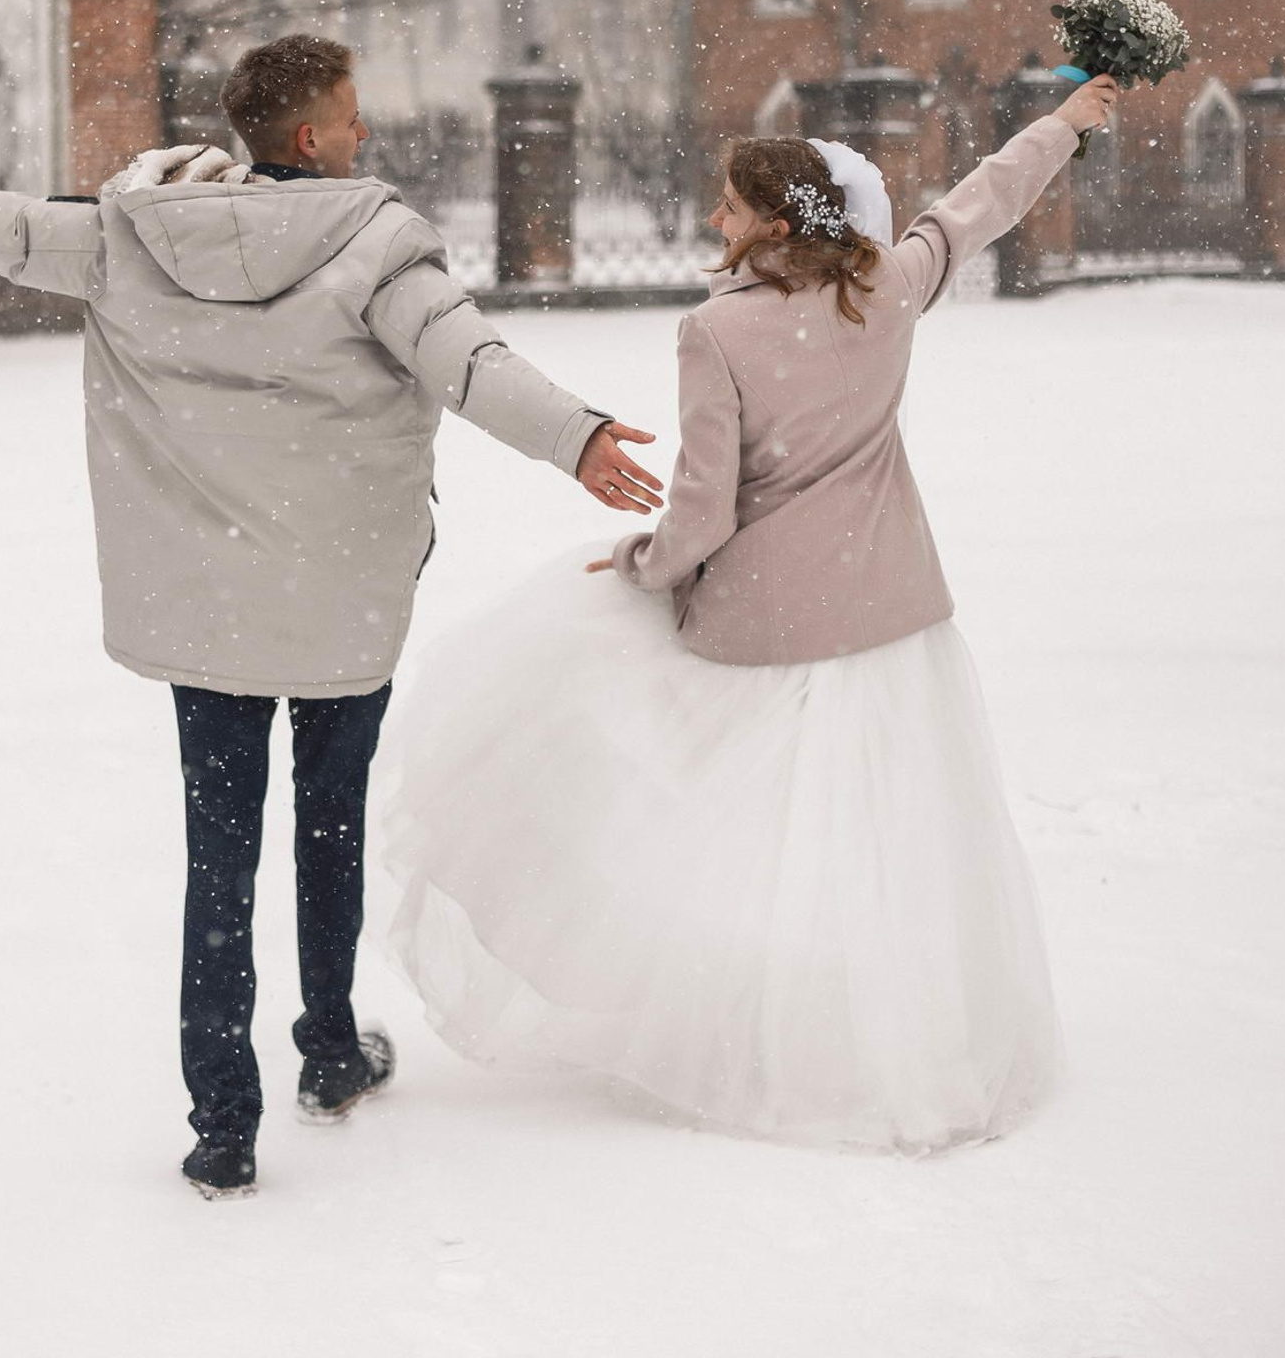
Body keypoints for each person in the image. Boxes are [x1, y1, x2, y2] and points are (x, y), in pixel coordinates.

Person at [0, 33, 662, 1200]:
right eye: (348, 117)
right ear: (309, 138)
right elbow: (469, 361)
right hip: (340, 599)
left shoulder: (125, 235)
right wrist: (579, 437)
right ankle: (332, 1052)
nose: (362, 135)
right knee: (327, 834)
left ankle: (222, 1122)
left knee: (219, 857)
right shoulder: (378, 246)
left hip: (209, 611)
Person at [383, 75, 1123, 1154]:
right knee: (889, 843)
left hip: (767, 629)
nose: (715, 218)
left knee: (739, 837)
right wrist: (1065, 123)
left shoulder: (715, 331)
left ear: (775, 223)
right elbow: (977, 202)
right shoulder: (891, 289)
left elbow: (704, 507)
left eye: (729, 205)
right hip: (893, 616)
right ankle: (907, 1038)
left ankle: (749, 1027)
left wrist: (644, 566)